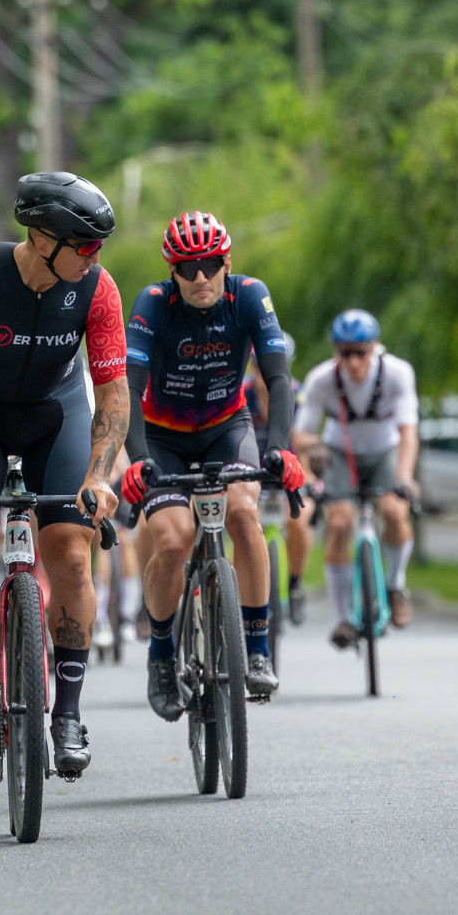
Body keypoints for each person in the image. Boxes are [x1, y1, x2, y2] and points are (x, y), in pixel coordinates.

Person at [0, 172, 128, 779]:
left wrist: (99, 476)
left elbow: (113, 392)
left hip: (55, 412)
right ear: (42, 239)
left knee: (72, 553)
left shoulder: (97, 288)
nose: (94, 258)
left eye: (99, 246)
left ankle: (68, 715)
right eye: (84, 245)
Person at [118, 212, 306, 719]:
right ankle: (161, 655)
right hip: (162, 436)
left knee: (244, 513)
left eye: (210, 265)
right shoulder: (152, 304)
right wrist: (138, 459)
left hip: (227, 427)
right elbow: (129, 388)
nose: (199, 276)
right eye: (187, 268)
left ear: (227, 263)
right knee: (174, 539)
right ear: (172, 272)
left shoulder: (249, 295)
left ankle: (257, 647)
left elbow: (278, 379)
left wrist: (281, 448)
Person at [293, 308, 420, 648]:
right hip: (339, 453)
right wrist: (315, 448)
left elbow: (408, 432)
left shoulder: (397, 374)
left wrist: (405, 477)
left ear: (374, 348)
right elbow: (300, 434)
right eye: (345, 353)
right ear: (336, 351)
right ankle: (343, 619)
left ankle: (395, 585)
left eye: (360, 353)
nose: (353, 362)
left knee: (394, 512)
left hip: (384, 451)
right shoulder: (322, 379)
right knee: (338, 524)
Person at [245, 332, 315, 624]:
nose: (265, 373)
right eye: (259, 366)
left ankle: (295, 584)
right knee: (242, 523)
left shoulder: (300, 395)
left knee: (301, 519)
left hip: (290, 475)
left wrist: (309, 475)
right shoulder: (241, 394)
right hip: (250, 474)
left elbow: (304, 440)